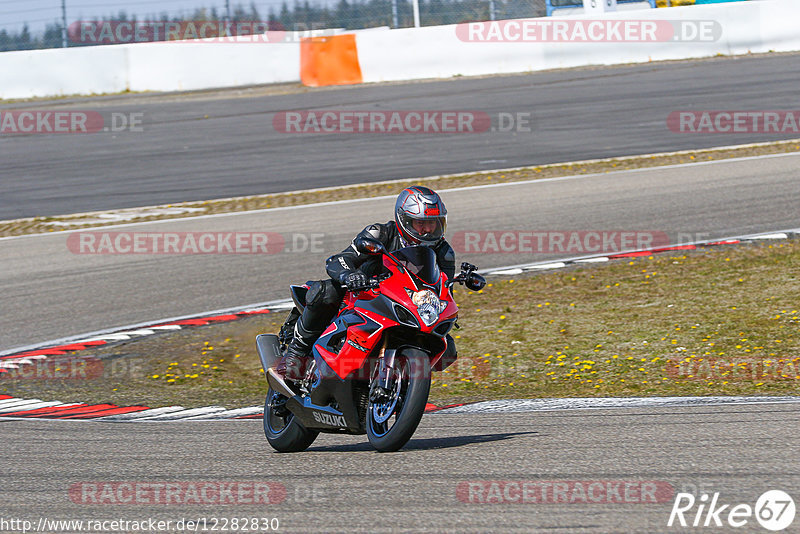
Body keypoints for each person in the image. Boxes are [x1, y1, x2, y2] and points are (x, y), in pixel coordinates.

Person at [281, 186, 456, 381]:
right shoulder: (380, 233)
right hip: (363, 296)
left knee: (448, 349)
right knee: (326, 292)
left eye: (434, 223)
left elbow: (443, 289)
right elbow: (339, 259)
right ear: (404, 220)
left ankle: (403, 380)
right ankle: (296, 354)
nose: (428, 230)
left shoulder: (443, 252)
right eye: (420, 223)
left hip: (405, 305)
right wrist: (349, 276)